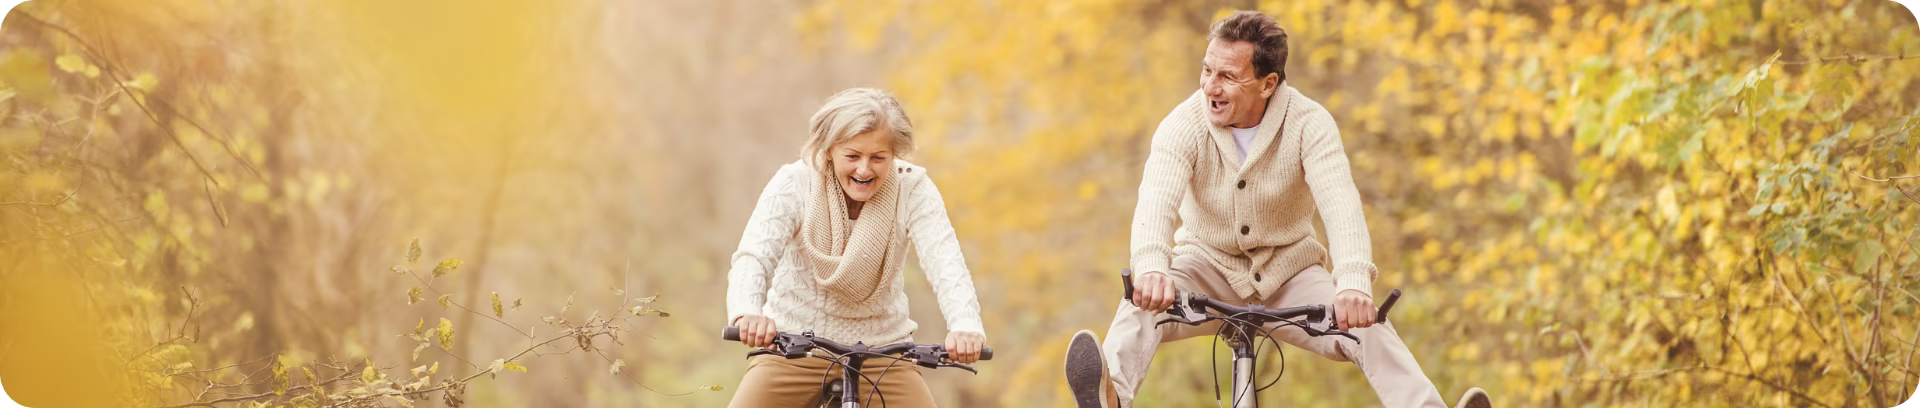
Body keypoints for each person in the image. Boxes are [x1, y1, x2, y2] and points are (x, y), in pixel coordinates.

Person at [1061, 11, 1491, 408]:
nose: (1211, 86)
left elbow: (1341, 205)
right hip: (1203, 267)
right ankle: (1109, 396)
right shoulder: (1183, 125)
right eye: (1207, 71)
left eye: (1228, 76)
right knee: (1141, 304)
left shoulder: (1309, 123)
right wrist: (1152, 265)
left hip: (1292, 272)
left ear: (1268, 84)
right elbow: (1155, 199)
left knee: (1370, 327)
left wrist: (1354, 283)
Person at [724, 88, 987, 408]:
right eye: (852, 156)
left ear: (895, 155)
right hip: (793, 349)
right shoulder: (794, 183)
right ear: (829, 150)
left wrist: (965, 326)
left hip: (883, 351)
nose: (864, 170)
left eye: (878, 158)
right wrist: (747, 312)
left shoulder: (913, 189)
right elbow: (755, 256)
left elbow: (946, 262)